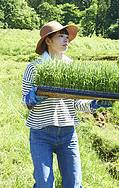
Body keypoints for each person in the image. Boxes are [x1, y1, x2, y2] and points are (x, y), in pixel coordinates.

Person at [22, 21, 114, 188]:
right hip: (41, 133)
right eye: (61, 37)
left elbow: (77, 102)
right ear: (48, 41)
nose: (66, 40)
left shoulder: (71, 67)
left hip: (67, 133)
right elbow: (25, 103)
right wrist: (33, 97)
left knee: (73, 184)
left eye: (67, 37)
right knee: (44, 184)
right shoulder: (34, 68)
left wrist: (96, 103)